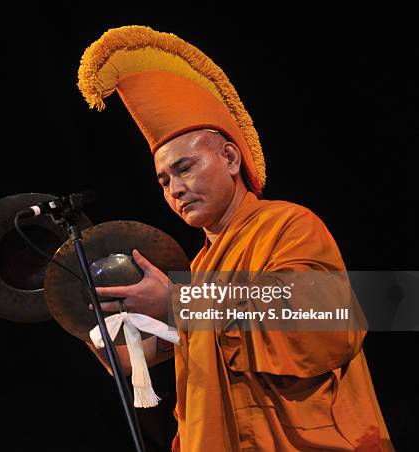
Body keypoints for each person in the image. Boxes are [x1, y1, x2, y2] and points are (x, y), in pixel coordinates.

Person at [78, 26, 393, 451]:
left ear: (229, 157)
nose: (174, 188)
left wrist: (176, 301)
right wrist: (84, 314)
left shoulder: (288, 224)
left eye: (185, 168)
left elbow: (329, 320)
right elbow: (134, 362)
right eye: (163, 180)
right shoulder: (201, 267)